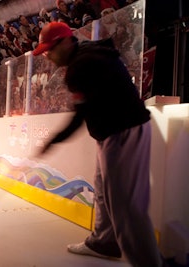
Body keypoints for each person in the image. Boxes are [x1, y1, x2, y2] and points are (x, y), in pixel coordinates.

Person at [32, 22, 165, 267]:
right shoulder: (88, 55)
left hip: (123, 134)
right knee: (103, 190)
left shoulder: (81, 66)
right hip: (113, 134)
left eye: (50, 49)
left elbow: (78, 116)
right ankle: (103, 243)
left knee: (126, 210)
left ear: (65, 41)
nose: (48, 56)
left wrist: (52, 141)